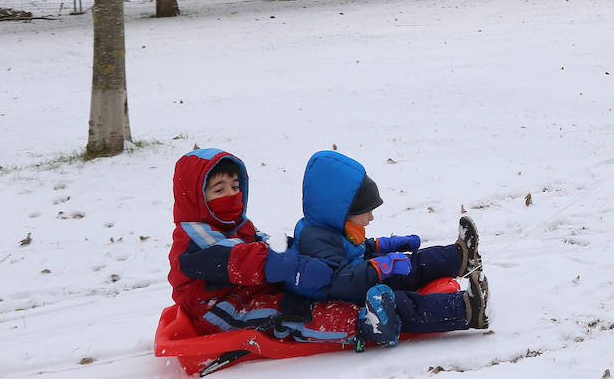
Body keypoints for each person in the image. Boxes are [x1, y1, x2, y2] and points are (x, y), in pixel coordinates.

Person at [168, 148, 400, 347]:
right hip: (217, 311)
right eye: (219, 190)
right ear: (196, 198)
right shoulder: (193, 239)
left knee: (296, 294)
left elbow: (261, 242)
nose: (231, 195)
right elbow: (238, 258)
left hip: (248, 293)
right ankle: (363, 324)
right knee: (289, 312)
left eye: (235, 187)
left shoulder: (234, 225)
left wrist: (293, 247)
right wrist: (291, 266)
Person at [286, 150, 489, 335]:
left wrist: (386, 246)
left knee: (409, 265)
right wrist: (381, 266)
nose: (371, 218)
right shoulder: (313, 240)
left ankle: (460, 258)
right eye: (367, 212)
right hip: (343, 299)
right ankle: (468, 309)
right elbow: (339, 283)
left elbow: (354, 249)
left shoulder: (329, 226)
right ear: (343, 212)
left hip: (360, 277)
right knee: (402, 303)